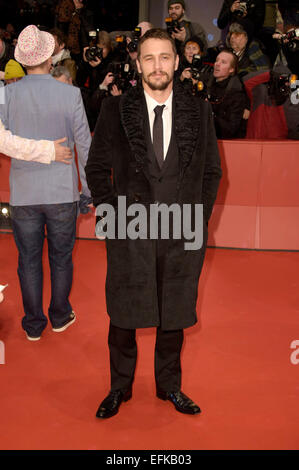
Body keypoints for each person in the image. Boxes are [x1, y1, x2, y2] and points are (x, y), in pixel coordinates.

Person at [85, 28, 222, 419]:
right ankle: (119, 387)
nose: (157, 65)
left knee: (173, 313)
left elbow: (212, 172)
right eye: (149, 58)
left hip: (182, 233)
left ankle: (169, 386)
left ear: (177, 62)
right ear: (137, 63)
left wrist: (199, 216)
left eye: (165, 57)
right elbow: (96, 169)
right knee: (124, 316)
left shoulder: (200, 110)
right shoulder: (114, 110)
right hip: (131, 233)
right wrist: (114, 219)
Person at [0, 25, 91, 341]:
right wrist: (88, 189)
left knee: (28, 261)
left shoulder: (6, 94)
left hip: (23, 194)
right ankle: (60, 314)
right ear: (49, 56)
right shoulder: (71, 94)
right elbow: (84, 145)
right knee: (61, 258)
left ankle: (33, 323)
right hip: (62, 192)